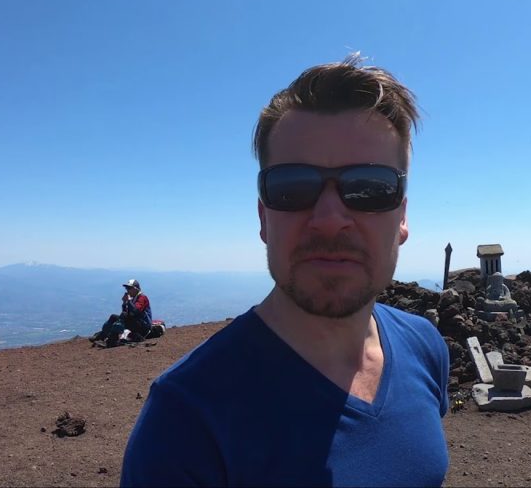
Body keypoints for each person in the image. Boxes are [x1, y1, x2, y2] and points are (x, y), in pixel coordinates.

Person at [121, 55, 449, 487]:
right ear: (263, 218)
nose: (330, 218)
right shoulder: (186, 418)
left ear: (402, 217)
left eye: (370, 187)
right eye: (293, 187)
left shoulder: (425, 348)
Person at [90, 279, 154, 346]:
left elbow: (135, 311)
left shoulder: (142, 298)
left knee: (121, 316)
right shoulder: (134, 299)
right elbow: (127, 313)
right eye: (126, 288)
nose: (127, 290)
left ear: (136, 289)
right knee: (113, 317)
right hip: (136, 323)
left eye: (129, 288)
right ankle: (101, 337)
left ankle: (112, 340)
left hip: (144, 326)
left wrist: (128, 301)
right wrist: (124, 303)